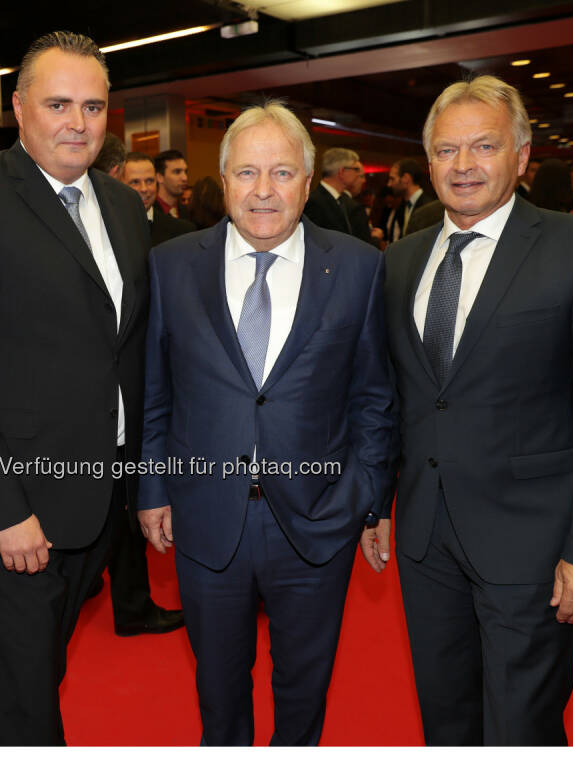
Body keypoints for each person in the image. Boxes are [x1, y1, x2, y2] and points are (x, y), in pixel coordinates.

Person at [379, 74, 573, 746]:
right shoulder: (403, 260)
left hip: (533, 543)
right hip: (425, 537)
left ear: (522, 156)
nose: (463, 166)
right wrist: (371, 505)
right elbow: (397, 395)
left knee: (521, 729)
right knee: (446, 723)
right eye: (446, 151)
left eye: (483, 147)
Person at [138, 100, 394, 746]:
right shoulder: (171, 266)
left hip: (317, 521)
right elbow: (155, 391)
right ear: (222, 181)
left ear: (308, 183)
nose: (262, 190)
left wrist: (366, 496)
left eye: (281, 173)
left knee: (303, 691)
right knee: (218, 691)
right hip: (205, 518)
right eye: (246, 172)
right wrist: (153, 488)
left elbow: (374, 397)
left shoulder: (360, 268)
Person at [0, 31, 152, 746]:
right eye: (58, 104)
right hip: (16, 508)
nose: (77, 122)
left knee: (38, 674)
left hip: (98, 493)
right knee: (24, 702)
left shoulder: (120, 204)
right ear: (18, 108)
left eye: (92, 105)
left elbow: (127, 348)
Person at [302, 148, 373, 244]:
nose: (358, 174)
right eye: (355, 169)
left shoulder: (342, 200)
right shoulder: (314, 202)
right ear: (342, 172)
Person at [122, 152, 194, 245]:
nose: (144, 188)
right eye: (135, 182)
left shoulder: (182, 230)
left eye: (149, 181)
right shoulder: (107, 226)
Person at [386, 158, 433, 242]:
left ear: (406, 178)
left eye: (392, 179)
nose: (389, 184)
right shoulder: (401, 207)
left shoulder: (429, 208)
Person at [154, 149, 188, 217]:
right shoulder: (149, 213)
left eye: (186, 172)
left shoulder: (189, 212)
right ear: (160, 177)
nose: (185, 178)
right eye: (177, 172)